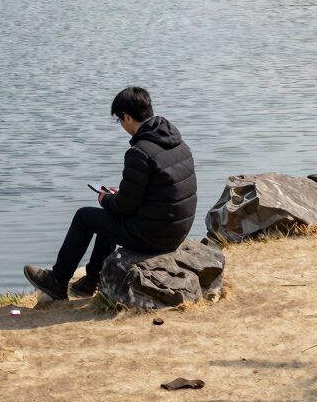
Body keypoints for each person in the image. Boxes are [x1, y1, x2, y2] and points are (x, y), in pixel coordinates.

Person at [23, 86, 197, 300]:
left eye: (119, 120)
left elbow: (125, 206)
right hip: (177, 230)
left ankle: (57, 281)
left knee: (84, 217)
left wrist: (106, 199)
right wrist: (118, 196)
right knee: (107, 218)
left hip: (154, 236)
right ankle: (91, 280)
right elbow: (158, 190)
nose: (121, 125)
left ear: (127, 117)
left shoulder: (139, 152)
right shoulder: (176, 141)